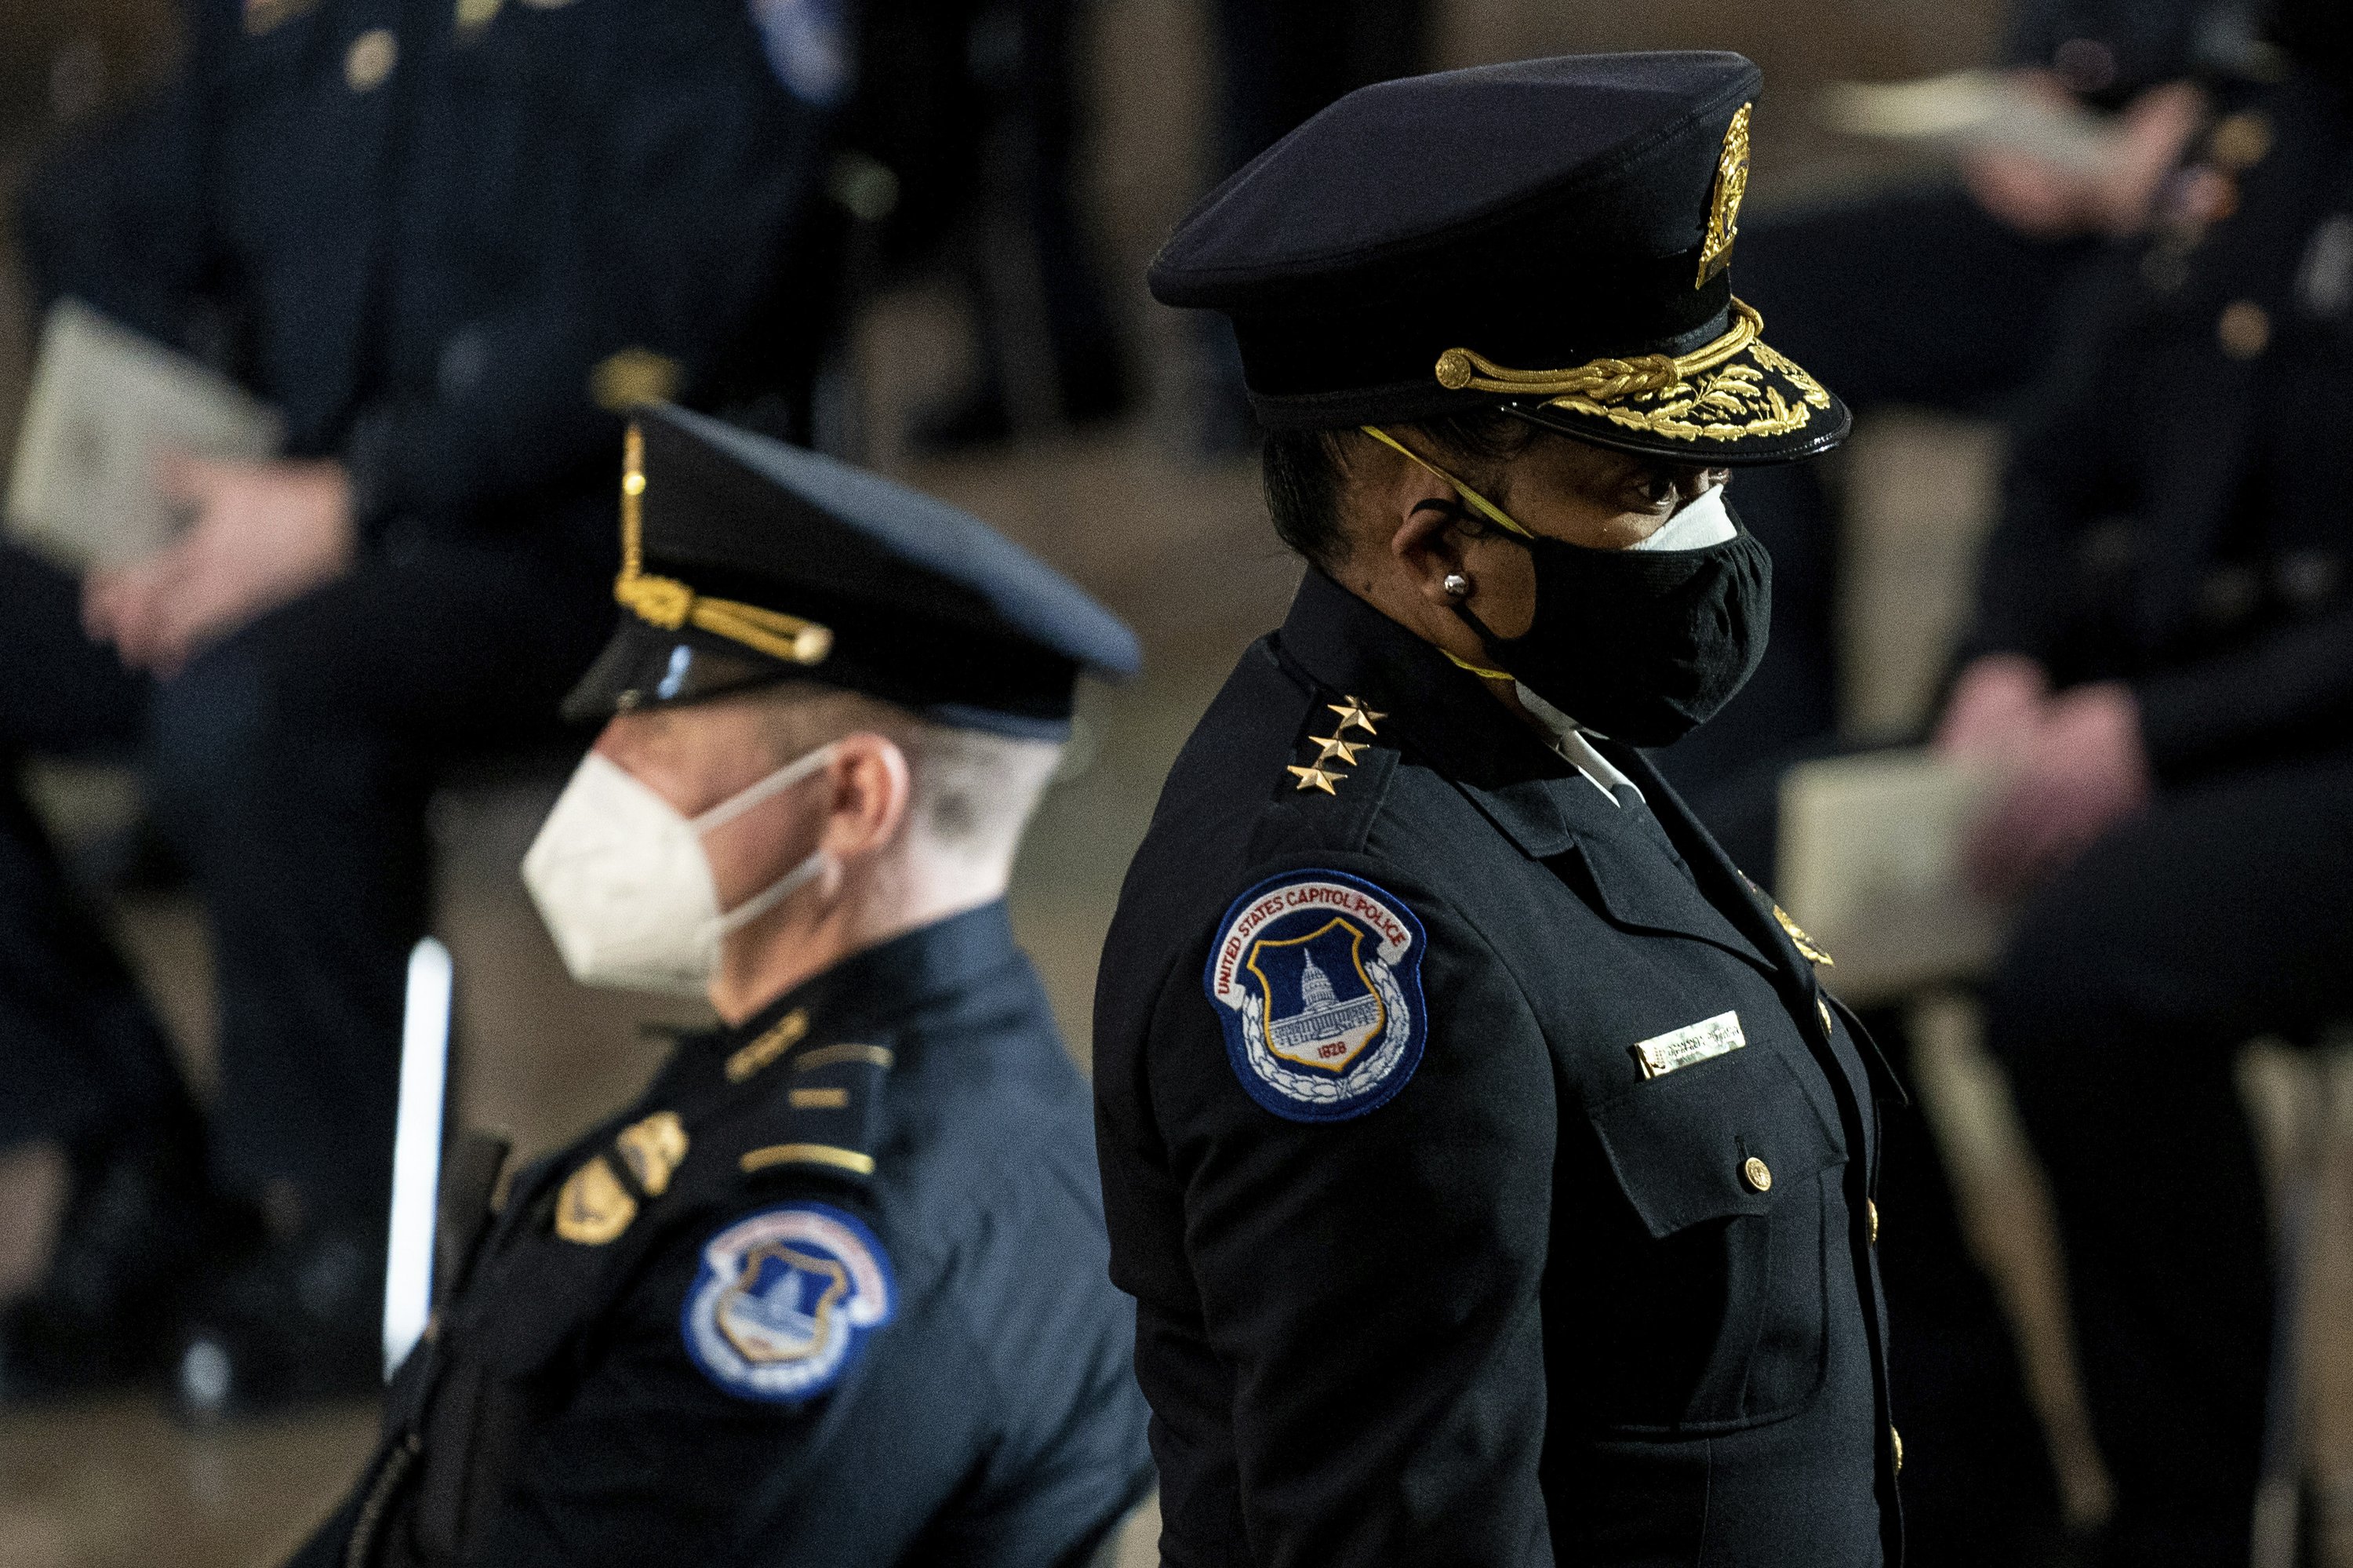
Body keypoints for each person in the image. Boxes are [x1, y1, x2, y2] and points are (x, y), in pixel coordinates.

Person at [1095, 53, 1906, 1563]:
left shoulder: (1514, 716)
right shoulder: (1365, 928)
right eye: (1651, 490)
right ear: (1433, 543)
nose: (1720, 534)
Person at [0, 0, 839, 1412]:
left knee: (256, 702)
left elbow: (689, 287)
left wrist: (368, 496)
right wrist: (158, 473)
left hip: (577, 553)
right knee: (204, 659)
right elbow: (112, 201)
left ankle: (348, 1241)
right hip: (293, 525)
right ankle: (122, 1153)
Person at [291, 405, 1152, 1566]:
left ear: (854, 799)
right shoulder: (829, 1072)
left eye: (655, 734)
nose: (600, 773)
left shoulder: (834, 1240)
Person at [1931, 5, 2353, 1561]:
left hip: (2295, 748)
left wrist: (2149, 741)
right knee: (1768, 924)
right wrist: (2001, 659)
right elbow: (2057, 459)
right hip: (2151, 716)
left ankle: (2202, 1515)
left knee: (2089, 979)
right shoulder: (2251, 136)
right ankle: (1963, 1500)